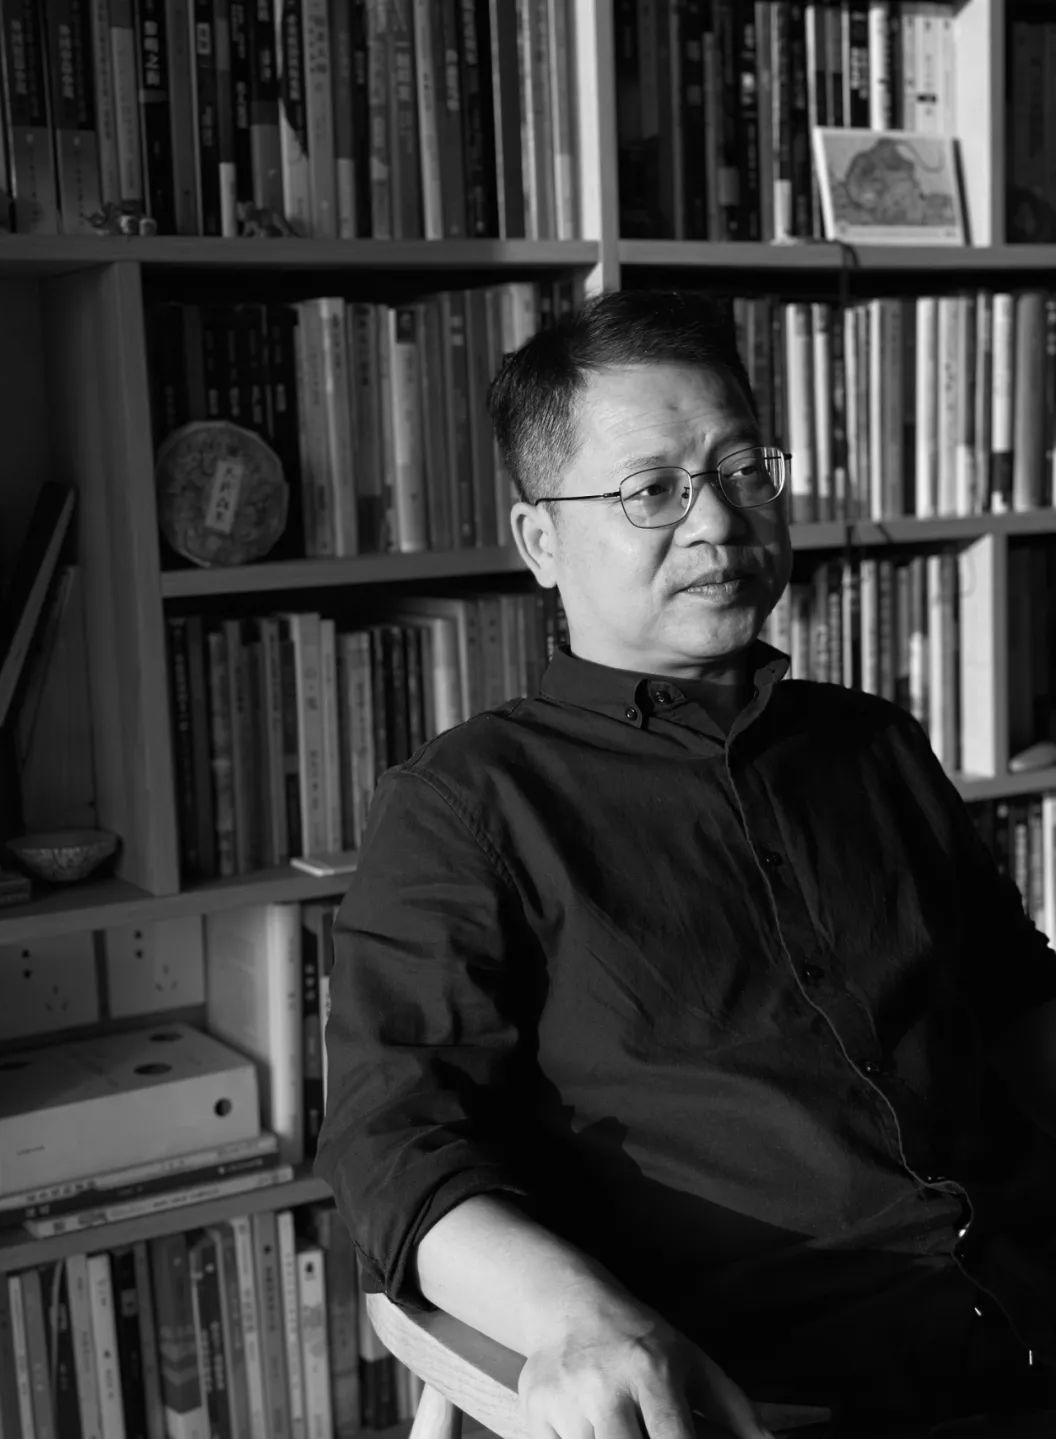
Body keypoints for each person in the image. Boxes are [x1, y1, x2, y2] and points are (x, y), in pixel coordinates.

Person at [314, 289, 1056, 1436]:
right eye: (652, 488)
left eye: (743, 468)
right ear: (541, 542)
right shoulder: (469, 802)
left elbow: (1016, 1003)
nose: (717, 518)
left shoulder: (870, 742)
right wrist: (575, 1320)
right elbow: (395, 1135)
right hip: (784, 1385)